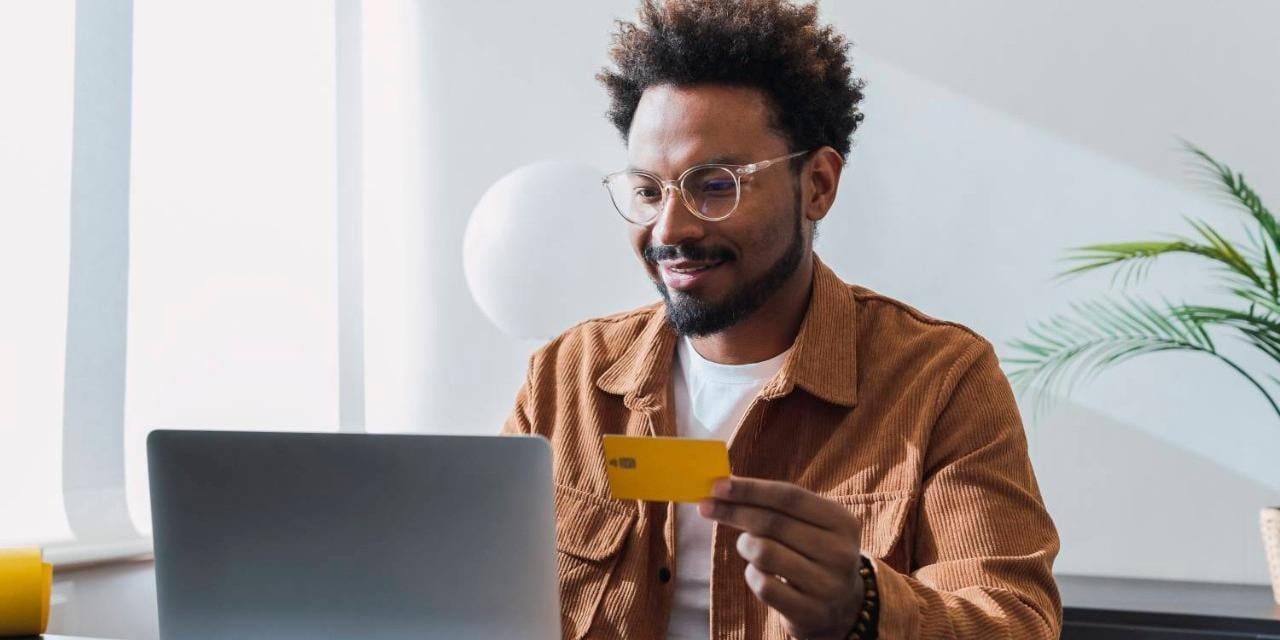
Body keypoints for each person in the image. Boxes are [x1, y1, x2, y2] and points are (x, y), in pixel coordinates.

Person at [502, 1, 1061, 638]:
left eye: (715, 185)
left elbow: (1014, 622)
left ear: (817, 184)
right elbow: (475, 588)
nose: (671, 228)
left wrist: (865, 607)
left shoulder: (941, 380)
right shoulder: (566, 377)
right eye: (650, 190)